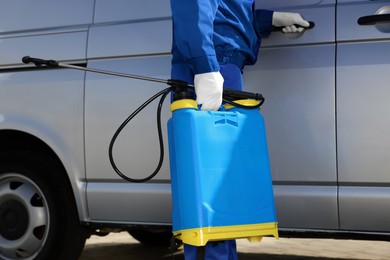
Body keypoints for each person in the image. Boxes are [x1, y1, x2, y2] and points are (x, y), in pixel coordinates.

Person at [169, 1, 309, 259]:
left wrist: (267, 20)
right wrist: (205, 66)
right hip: (211, 64)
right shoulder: (207, 64)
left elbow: (226, 8)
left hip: (219, 62)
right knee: (209, 199)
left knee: (222, 196)